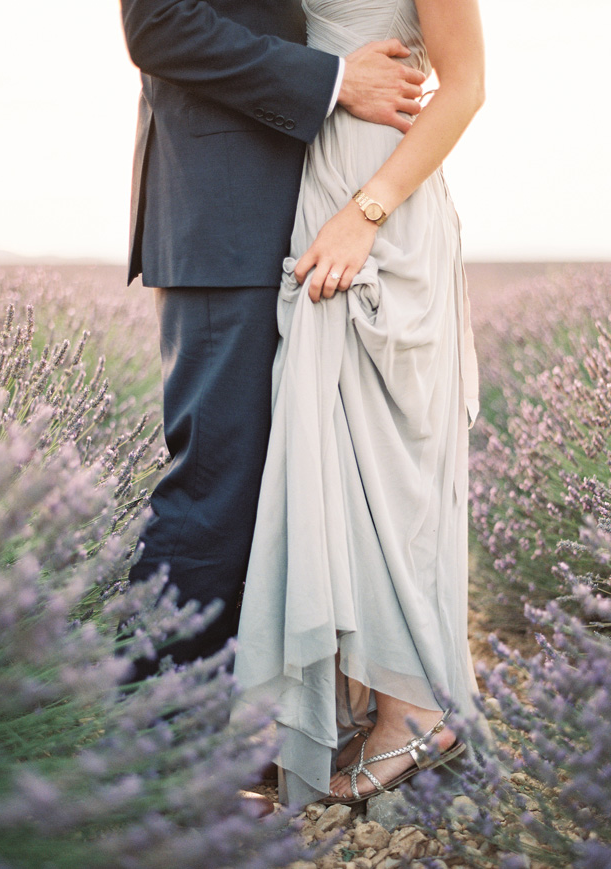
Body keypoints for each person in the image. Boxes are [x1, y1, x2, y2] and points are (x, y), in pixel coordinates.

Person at [119, 0, 427, 670]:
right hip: (231, 220)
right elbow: (158, 26)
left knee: (284, 492)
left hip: (309, 215)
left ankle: (237, 729)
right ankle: (157, 738)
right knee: (217, 492)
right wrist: (337, 81)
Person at [233, 0, 485, 807]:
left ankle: (411, 712)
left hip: (381, 205)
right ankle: (369, 697)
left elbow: (466, 86)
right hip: (319, 184)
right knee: (331, 451)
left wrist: (366, 213)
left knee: (389, 459)